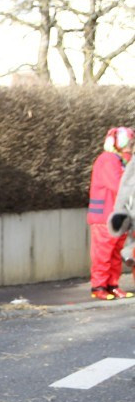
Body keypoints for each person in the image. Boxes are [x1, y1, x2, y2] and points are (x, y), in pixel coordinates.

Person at [87, 127, 134, 300]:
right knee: (103, 254)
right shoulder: (107, 160)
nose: (131, 147)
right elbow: (119, 185)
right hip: (104, 217)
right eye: (129, 143)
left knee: (115, 254)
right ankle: (98, 287)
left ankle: (112, 285)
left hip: (118, 217)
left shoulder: (120, 160)